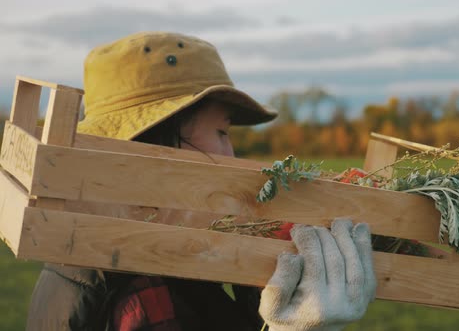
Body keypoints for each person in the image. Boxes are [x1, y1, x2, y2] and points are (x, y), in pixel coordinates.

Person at [26, 31, 376, 331]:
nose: (232, 155)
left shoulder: (94, 258)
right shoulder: (149, 299)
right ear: (156, 149)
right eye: (221, 132)